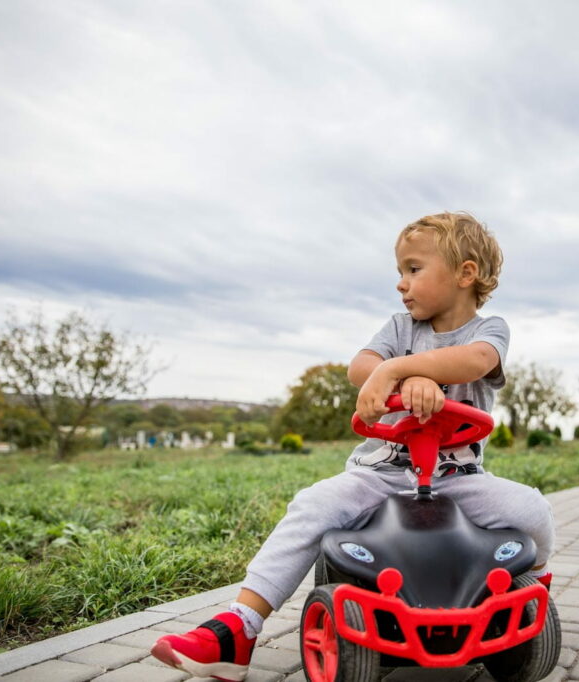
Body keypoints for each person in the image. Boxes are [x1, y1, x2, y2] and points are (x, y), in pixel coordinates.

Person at [151, 212, 555, 681]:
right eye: (400, 272)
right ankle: (238, 626)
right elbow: (360, 366)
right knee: (313, 505)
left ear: (465, 274)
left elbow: (475, 361)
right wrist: (391, 371)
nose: (401, 284)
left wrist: (408, 372)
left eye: (413, 269)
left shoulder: (489, 331)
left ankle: (529, 599)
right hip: (381, 475)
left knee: (532, 511)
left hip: (457, 480)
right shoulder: (400, 329)